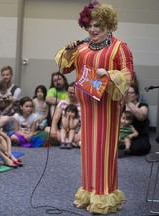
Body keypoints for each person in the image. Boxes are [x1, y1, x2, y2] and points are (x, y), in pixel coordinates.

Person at [55, 1, 134, 214]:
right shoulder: (81, 48)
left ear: (108, 25)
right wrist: (69, 51)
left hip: (107, 111)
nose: (93, 29)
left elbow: (128, 75)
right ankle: (89, 192)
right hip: (87, 111)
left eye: (97, 25)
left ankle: (104, 194)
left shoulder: (120, 47)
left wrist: (108, 75)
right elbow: (64, 67)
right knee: (87, 151)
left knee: (104, 152)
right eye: (89, 25)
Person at [46, 82, 81, 146]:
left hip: (76, 132)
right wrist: (53, 129)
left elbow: (85, 123)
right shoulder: (62, 102)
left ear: (78, 93)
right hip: (63, 131)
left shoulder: (82, 105)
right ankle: (71, 142)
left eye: (72, 93)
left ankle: (67, 141)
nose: (70, 95)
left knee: (84, 136)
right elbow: (55, 118)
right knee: (48, 129)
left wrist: (79, 134)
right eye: (69, 92)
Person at [123, 84, 151, 156]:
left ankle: (124, 149)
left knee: (138, 148)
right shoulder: (122, 106)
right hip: (124, 135)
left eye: (131, 93)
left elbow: (141, 117)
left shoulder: (143, 106)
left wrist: (128, 102)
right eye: (127, 93)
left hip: (140, 136)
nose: (128, 94)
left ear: (137, 95)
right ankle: (125, 148)